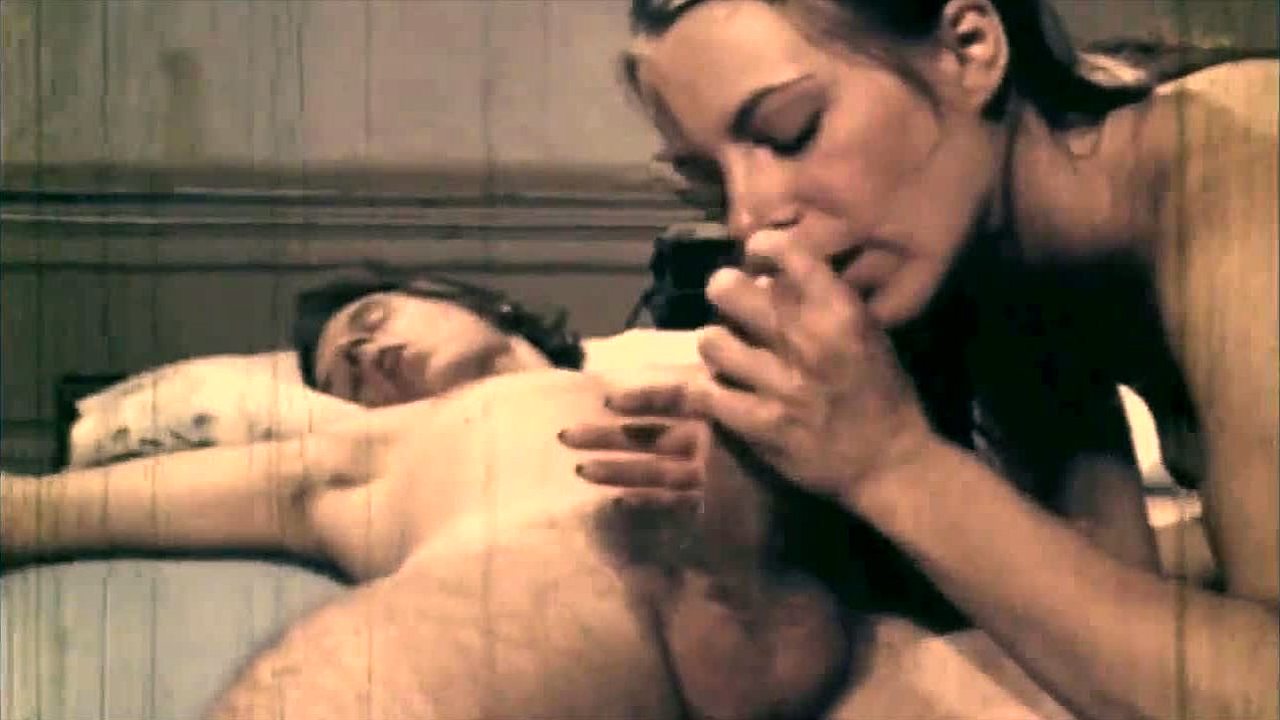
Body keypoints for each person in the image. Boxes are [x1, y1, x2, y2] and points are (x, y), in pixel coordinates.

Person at [558, 1, 1278, 719]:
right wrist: (765, 495)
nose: (749, 218)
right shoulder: (993, 251)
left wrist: (892, 461)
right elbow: (1105, 615)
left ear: (969, 49)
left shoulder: (1247, 158)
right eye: (710, 186)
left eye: (792, 132)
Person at [2, 274, 862, 720]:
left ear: (477, 303)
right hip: (568, 577)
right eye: (346, 371)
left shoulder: (705, 349)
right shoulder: (387, 444)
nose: (365, 353)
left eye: (374, 319)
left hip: (849, 611)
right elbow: (36, 510)